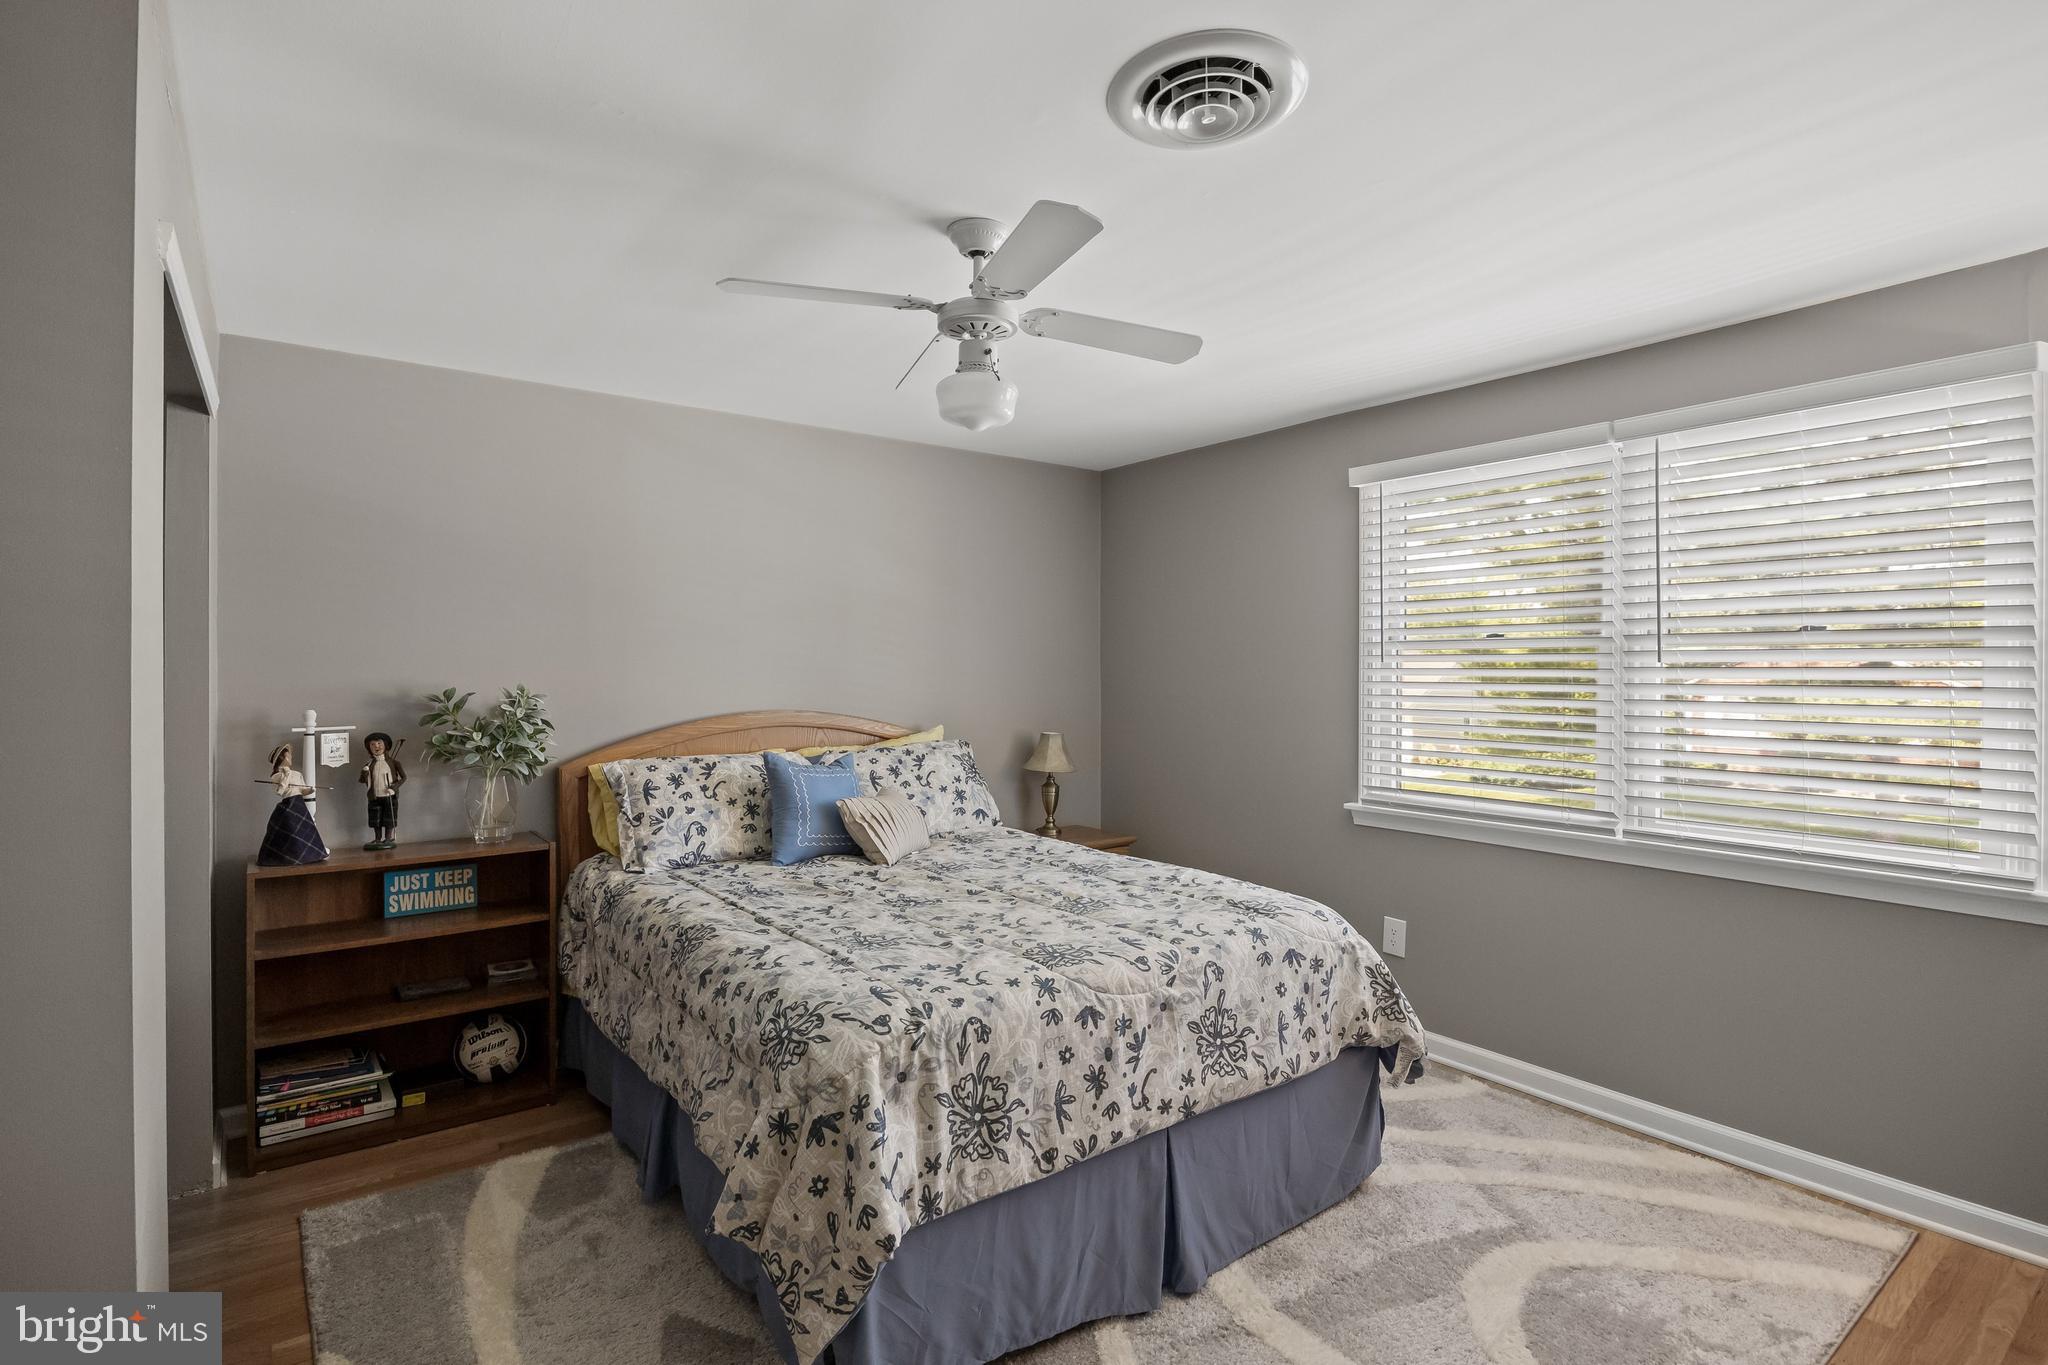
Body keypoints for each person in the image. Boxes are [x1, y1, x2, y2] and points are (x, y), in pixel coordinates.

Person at [257, 744, 328, 866]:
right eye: (288, 757)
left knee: (305, 831)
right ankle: (287, 856)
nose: (290, 759)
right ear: (281, 758)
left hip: (299, 804)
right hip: (288, 805)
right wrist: (285, 776)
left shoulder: (297, 774)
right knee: (290, 831)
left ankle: (312, 854)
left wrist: (310, 790)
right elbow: (280, 791)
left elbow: (302, 790)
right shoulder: (276, 776)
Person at [359, 732, 407, 850]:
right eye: (372, 744)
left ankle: (388, 838)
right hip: (374, 796)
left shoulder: (394, 763)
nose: (376, 747)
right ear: (369, 748)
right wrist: (364, 773)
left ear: (385, 745)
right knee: (376, 819)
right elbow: (362, 780)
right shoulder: (369, 764)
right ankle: (377, 838)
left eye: (379, 743)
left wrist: (394, 788)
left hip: (389, 795)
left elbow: (404, 777)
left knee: (389, 818)